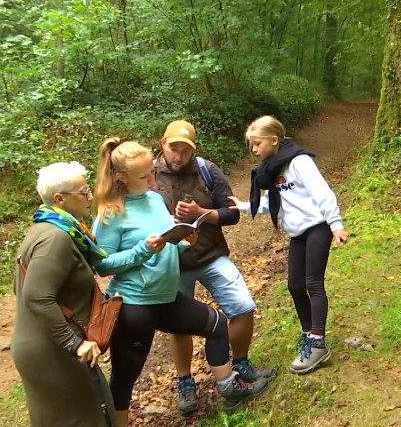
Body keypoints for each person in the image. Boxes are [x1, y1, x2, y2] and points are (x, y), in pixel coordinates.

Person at [91, 138, 267, 426]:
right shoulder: (111, 214)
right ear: (121, 177)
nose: (153, 178)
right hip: (134, 306)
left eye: (152, 171)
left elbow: (165, 240)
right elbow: (102, 264)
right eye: (144, 176)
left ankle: (229, 388)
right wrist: (142, 250)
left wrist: (182, 243)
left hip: (167, 297)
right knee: (125, 379)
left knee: (218, 325)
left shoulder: (154, 199)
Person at [152, 120, 274, 415]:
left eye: (185, 150)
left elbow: (232, 213)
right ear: (162, 144)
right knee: (180, 327)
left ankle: (240, 363)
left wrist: (201, 213)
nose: (178, 156)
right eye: (173, 149)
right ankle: (185, 382)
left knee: (242, 306)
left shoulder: (207, 170)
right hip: (172, 263)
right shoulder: (146, 174)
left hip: (210, 255)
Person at [229, 115, 348, 375]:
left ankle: (318, 343)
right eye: (251, 145)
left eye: (257, 143)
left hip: (317, 227)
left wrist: (335, 224)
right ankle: (308, 335)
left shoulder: (299, 161)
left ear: (274, 140)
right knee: (294, 285)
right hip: (297, 233)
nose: (254, 150)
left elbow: (322, 192)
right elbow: (276, 204)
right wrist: (242, 206)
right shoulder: (272, 167)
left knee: (312, 283)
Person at [11, 161, 118, 426]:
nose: (90, 197)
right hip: (54, 351)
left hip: (46, 345)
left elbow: (23, 288)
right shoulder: (54, 239)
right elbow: (35, 296)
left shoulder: (47, 228)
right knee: (89, 418)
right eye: (83, 193)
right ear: (59, 199)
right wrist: (74, 343)